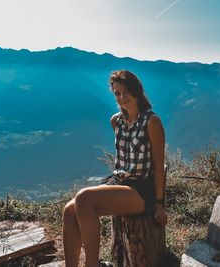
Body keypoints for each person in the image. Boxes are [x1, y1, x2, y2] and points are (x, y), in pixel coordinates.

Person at [62, 70, 167, 267]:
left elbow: (159, 166)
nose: (122, 97)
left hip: (141, 189)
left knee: (84, 198)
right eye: (117, 93)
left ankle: (92, 264)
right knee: (69, 210)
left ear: (136, 91)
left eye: (126, 91)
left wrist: (159, 203)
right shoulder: (116, 121)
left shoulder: (151, 122)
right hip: (119, 182)